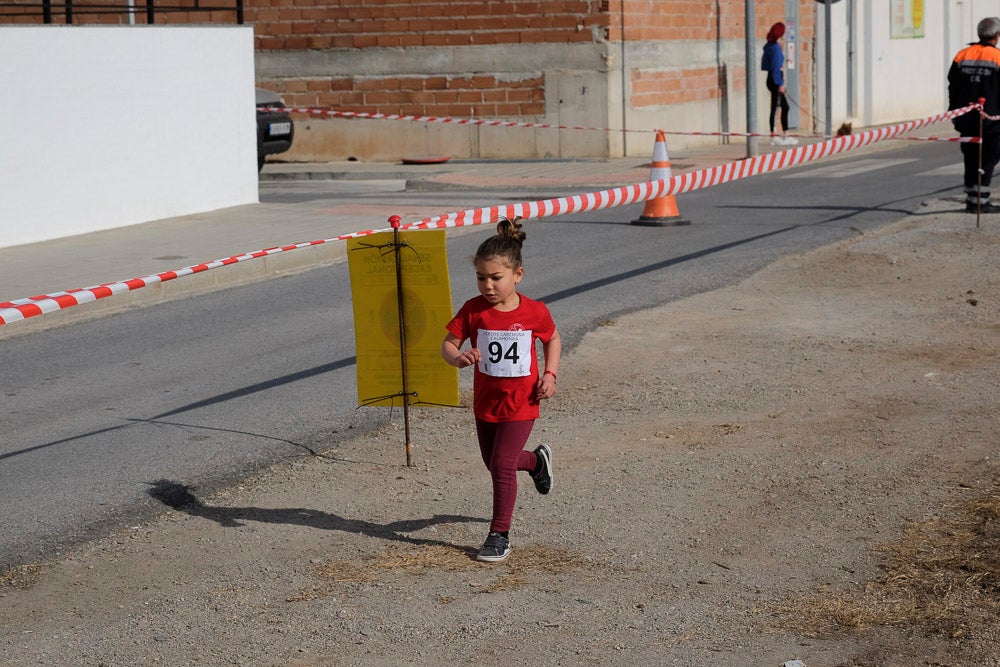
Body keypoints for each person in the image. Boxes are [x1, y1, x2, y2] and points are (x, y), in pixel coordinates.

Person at [441, 218, 561, 563]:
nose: (488, 286)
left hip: (523, 401)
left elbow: (552, 338)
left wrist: (550, 374)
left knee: (503, 463)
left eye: (496, 278)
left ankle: (499, 535)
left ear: (517, 275)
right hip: (486, 402)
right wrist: (459, 357)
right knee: (494, 463)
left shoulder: (535, 312)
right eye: (481, 278)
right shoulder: (473, 310)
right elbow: (448, 344)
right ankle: (537, 461)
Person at [948, 16, 1000, 214]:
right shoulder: (998, 58)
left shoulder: (962, 55)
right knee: (989, 157)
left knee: (970, 157)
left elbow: (952, 84)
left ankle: (972, 199)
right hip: (991, 120)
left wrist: (954, 111)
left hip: (965, 118)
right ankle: (981, 200)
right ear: (996, 36)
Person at [761, 21, 798, 146]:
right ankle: (782, 135)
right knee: (783, 107)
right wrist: (780, 84)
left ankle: (775, 134)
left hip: (770, 78)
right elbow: (776, 67)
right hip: (775, 79)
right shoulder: (776, 48)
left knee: (775, 107)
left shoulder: (769, 46)